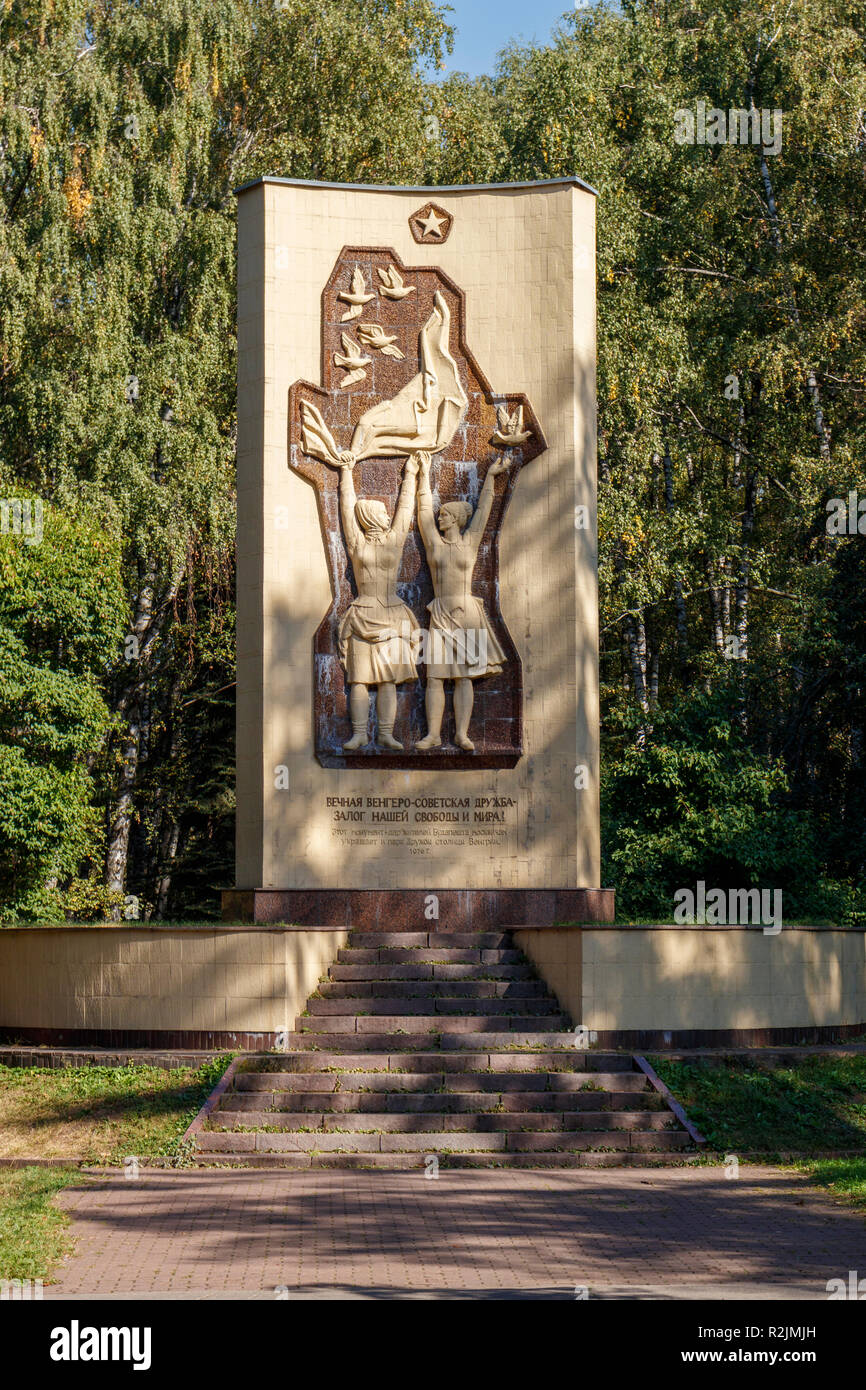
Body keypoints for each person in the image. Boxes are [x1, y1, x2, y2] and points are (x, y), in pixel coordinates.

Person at [415, 451, 510, 751]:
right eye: (440, 513)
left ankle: (461, 734)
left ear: (455, 519)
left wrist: (491, 477)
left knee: (465, 677)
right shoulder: (434, 544)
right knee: (435, 676)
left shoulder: (469, 542)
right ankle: (432, 734)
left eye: (443, 513)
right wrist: (421, 475)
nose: (439, 516)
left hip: (467, 612)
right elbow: (421, 513)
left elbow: (483, 510)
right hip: (441, 611)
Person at [335, 453, 420, 751]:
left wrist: (410, 475)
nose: (388, 516)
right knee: (362, 680)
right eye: (383, 513)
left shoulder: (385, 542)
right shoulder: (368, 542)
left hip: (384, 614)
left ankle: (383, 733)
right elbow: (349, 511)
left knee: (384, 680)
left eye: (387, 513)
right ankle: (362, 733)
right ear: (372, 516)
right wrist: (346, 473)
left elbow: (403, 511)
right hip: (372, 612)